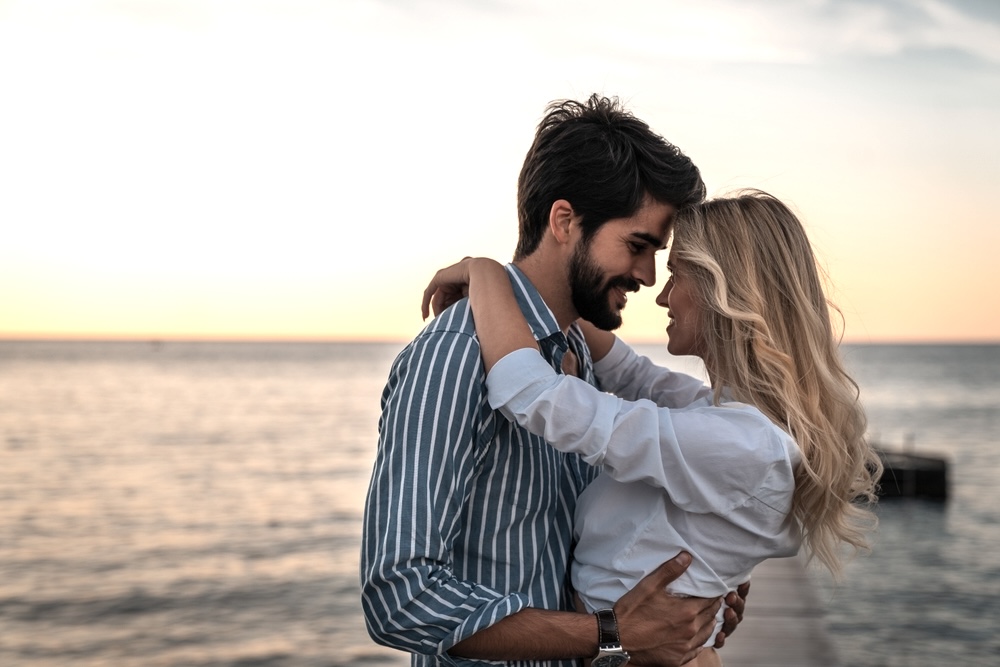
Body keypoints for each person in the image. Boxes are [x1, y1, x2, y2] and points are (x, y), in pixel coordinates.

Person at [361, 94, 748, 667]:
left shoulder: (575, 352)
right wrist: (615, 632)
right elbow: (399, 598)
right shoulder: (455, 355)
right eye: (638, 246)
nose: (646, 275)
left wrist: (680, 613)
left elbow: (563, 558)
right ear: (565, 222)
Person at [421, 190, 882, 667]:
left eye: (677, 274)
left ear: (724, 290)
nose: (660, 293)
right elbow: (633, 374)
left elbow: (532, 394)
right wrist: (557, 289)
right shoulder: (738, 421)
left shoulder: (740, 443)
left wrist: (486, 274)